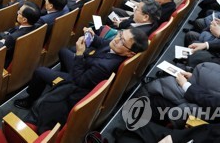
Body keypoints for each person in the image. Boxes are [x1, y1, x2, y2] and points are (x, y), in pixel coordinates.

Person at [14, 27, 149, 109]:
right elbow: (102, 42)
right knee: (63, 51)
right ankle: (57, 82)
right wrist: (91, 35)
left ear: (130, 53)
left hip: (78, 81)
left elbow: (80, 81)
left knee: (40, 71)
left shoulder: (105, 67)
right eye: (120, 34)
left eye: (122, 41)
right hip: (86, 68)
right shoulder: (117, 45)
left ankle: (30, 100)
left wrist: (79, 54)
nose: (117, 39)